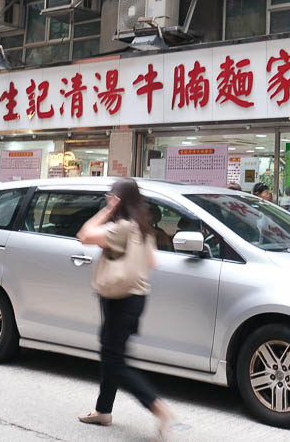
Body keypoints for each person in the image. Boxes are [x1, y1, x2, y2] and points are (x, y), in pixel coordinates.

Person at [76, 179, 174, 436]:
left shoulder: (121, 228)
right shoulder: (144, 229)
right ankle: (103, 410)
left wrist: (107, 212)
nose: (108, 200)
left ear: (119, 200)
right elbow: (151, 262)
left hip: (119, 299)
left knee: (114, 359)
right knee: (111, 352)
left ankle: (156, 406)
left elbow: (84, 235)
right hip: (135, 299)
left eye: (112, 197)